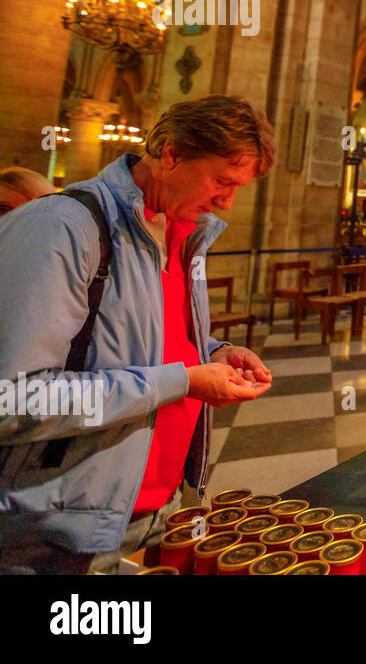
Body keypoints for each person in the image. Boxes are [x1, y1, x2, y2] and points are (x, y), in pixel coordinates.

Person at [0, 95, 276, 574]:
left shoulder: (181, 231)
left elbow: (145, 343)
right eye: (221, 181)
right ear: (170, 154)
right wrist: (184, 382)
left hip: (158, 511)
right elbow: (16, 399)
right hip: (60, 530)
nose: (228, 202)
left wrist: (217, 353)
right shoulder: (65, 227)